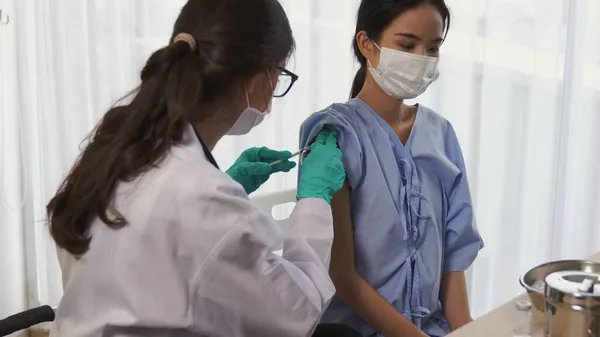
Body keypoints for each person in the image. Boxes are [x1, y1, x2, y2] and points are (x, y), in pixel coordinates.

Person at [46, 0, 355, 336]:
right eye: (280, 75)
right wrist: (314, 200)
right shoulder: (202, 197)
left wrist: (225, 184)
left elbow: (158, 243)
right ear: (258, 80)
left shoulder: (113, 151)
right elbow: (297, 312)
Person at [299, 0, 485, 336]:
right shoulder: (334, 135)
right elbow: (341, 277)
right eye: (407, 45)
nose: (421, 58)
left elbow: (453, 259)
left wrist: (465, 332)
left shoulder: (440, 134)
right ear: (366, 44)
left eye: (433, 47)